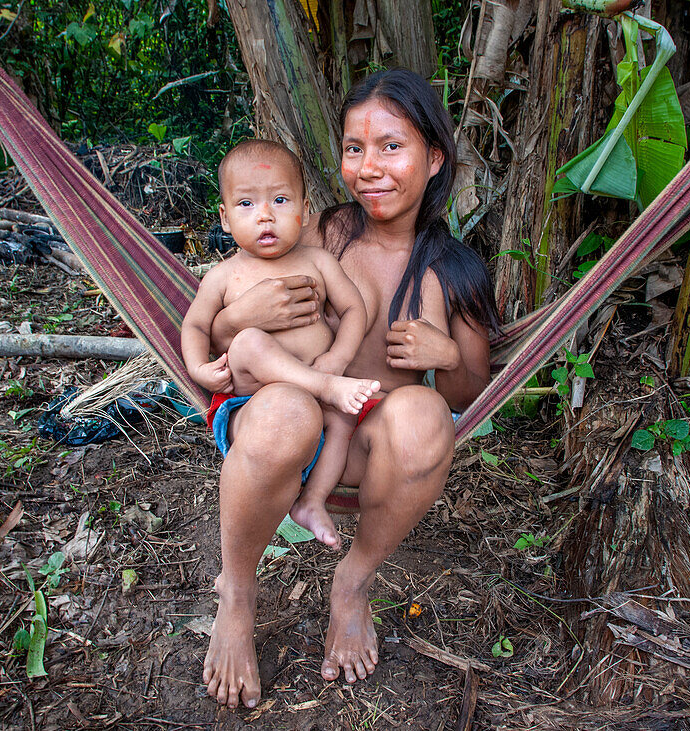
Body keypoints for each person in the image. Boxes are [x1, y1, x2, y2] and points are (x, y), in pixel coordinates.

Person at [201, 69, 500, 709]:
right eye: (354, 149)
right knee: (285, 411)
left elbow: (472, 390)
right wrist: (233, 321)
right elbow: (239, 300)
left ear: (435, 157)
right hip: (285, 421)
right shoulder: (323, 231)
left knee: (424, 414)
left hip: (364, 441)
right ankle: (238, 594)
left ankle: (353, 582)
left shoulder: (456, 272)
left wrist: (444, 353)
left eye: (392, 146)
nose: (371, 167)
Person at [181, 139, 380, 549]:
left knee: (343, 420)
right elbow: (196, 327)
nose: (266, 215)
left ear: (306, 210)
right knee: (250, 341)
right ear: (224, 217)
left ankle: (312, 500)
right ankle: (322, 389)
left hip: (324, 390)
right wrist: (199, 368)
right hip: (253, 401)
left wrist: (338, 358)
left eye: (281, 199)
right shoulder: (223, 276)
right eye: (246, 205)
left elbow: (354, 310)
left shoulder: (319, 262)